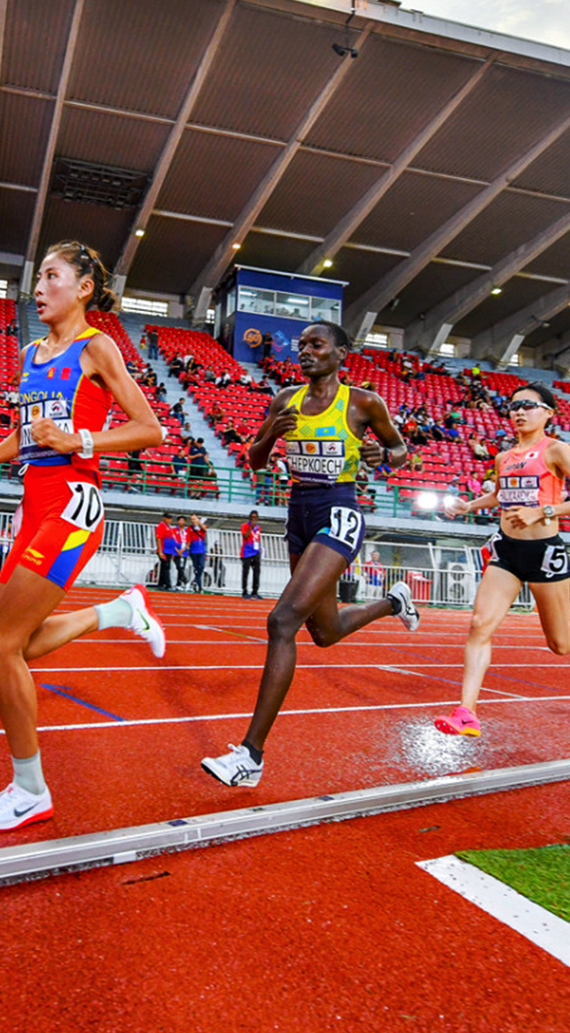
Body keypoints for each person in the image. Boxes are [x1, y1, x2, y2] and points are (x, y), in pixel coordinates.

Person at [0, 241, 166, 834]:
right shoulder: (30, 353)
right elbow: (28, 435)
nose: (39, 288)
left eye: (52, 276)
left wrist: (82, 440)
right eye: (38, 277)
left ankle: (29, 790)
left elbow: (150, 429)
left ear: (83, 289)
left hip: (75, 506)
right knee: (13, 646)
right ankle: (121, 611)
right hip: (35, 502)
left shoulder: (96, 347)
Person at [202, 321, 419, 789]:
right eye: (301, 346)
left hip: (339, 508)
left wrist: (387, 457)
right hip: (297, 511)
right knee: (325, 631)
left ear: (342, 352)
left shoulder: (362, 403)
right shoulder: (285, 400)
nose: (305, 351)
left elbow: (400, 448)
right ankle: (392, 603)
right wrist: (269, 436)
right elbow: (255, 460)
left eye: (316, 344)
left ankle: (251, 755)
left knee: (282, 622)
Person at [435, 383, 570, 739]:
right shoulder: (504, 457)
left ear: (548, 413)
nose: (519, 412)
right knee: (480, 624)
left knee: (560, 644)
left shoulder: (557, 450)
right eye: (513, 406)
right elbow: (499, 495)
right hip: (506, 552)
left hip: (544, 554)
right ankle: (466, 712)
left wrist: (542, 511)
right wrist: (469, 505)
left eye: (528, 405)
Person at [240, 509, 262, 599]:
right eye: (252, 517)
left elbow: (257, 539)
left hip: (256, 551)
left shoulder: (259, 528)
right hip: (246, 552)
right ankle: (244, 591)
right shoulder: (245, 526)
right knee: (246, 572)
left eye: (255, 518)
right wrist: (250, 527)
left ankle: (255, 591)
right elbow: (245, 536)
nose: (253, 519)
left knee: (256, 572)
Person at [187, 514, 208, 593]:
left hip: (201, 550)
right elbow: (188, 538)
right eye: (192, 519)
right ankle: (199, 585)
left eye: (194, 519)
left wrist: (199, 523)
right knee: (196, 568)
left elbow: (204, 529)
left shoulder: (202, 526)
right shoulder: (189, 528)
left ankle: (195, 581)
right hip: (193, 550)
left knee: (201, 566)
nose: (193, 521)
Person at [155, 512, 176, 590]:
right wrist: (160, 551)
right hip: (164, 550)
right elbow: (159, 539)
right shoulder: (161, 526)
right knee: (166, 567)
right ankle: (168, 584)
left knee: (165, 567)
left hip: (169, 551)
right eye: (168, 518)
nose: (170, 520)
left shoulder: (168, 527)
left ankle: (161, 583)